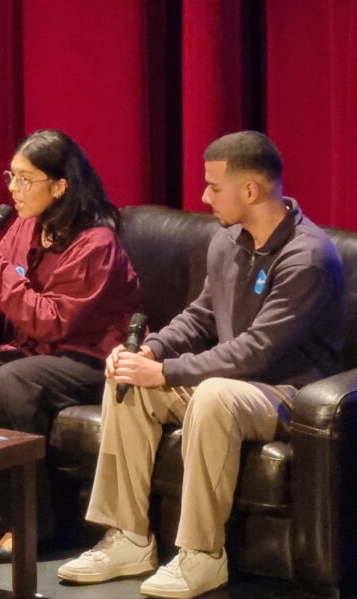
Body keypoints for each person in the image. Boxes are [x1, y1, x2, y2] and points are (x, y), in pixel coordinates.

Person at [57, 131, 345, 598]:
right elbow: (201, 316)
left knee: (213, 396)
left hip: (287, 392)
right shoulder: (227, 241)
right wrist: (151, 352)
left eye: (213, 186)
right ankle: (128, 538)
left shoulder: (307, 257)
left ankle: (202, 555)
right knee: (128, 380)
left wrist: (167, 372)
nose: (203, 197)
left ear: (249, 190)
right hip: (233, 380)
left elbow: (255, 351)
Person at [0, 129, 140, 564]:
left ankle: (29, 525)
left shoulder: (96, 244)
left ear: (59, 186)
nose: (13, 188)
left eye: (25, 179)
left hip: (89, 358)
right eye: (10, 176)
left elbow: (52, 322)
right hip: (37, 353)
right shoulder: (24, 225)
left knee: (14, 380)